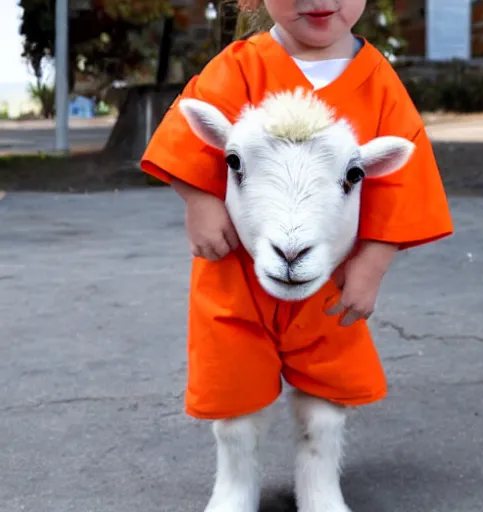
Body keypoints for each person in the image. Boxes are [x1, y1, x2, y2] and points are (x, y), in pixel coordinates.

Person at [140, 1, 454, 511]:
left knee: (328, 389)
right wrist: (199, 201)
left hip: (330, 275)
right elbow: (188, 134)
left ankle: (319, 484)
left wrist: (371, 264)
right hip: (237, 270)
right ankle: (234, 484)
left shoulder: (378, 83)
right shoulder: (240, 65)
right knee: (232, 384)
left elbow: (401, 178)